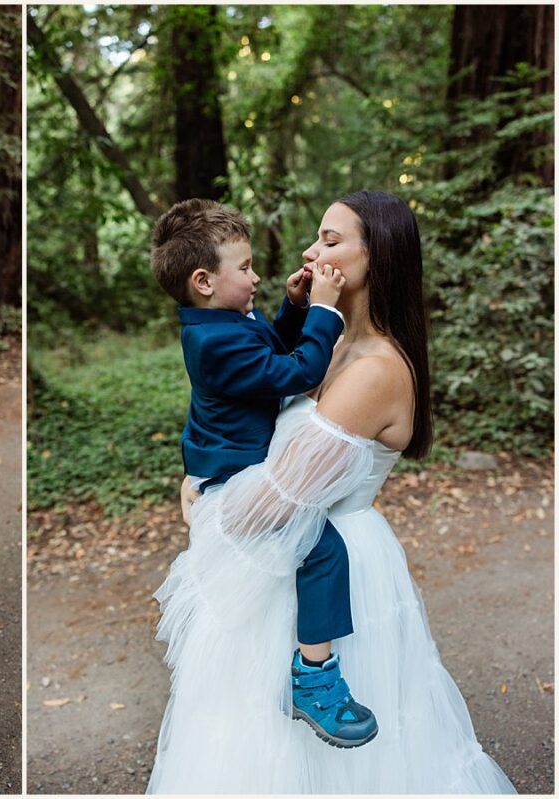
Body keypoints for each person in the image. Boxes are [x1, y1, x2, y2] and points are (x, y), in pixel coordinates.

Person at [147, 192, 515, 793]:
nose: (311, 252)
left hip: (322, 554)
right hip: (281, 555)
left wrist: (206, 512)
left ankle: (317, 680)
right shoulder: (332, 339)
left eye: (330, 240)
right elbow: (277, 370)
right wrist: (309, 309)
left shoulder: (371, 370)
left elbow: (277, 497)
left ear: (379, 258)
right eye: (318, 238)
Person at [150, 198, 374, 747]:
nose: (256, 276)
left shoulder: (225, 321)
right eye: (245, 267)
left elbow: (273, 345)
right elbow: (295, 371)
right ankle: (315, 681)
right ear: (203, 280)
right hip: (237, 475)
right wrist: (326, 310)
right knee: (323, 552)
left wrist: (296, 307)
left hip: (236, 461)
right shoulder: (212, 341)